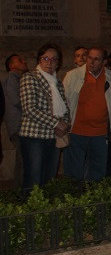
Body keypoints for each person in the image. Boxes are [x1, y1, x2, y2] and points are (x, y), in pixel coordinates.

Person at [19, 43, 71, 196]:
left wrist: (65, 124)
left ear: (58, 63)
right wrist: (57, 123)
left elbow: (65, 109)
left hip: (54, 136)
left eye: (54, 59)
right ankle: (29, 214)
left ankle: (45, 213)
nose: (49, 62)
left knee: (49, 178)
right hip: (34, 137)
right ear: (39, 60)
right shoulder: (29, 77)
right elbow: (29, 109)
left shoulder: (58, 83)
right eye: (46, 58)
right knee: (33, 178)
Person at [63, 47, 111, 182]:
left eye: (96, 59)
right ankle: (75, 200)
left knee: (97, 173)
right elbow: (64, 101)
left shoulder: (110, 77)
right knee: (74, 173)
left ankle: (94, 200)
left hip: (99, 133)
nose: (91, 62)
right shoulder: (73, 76)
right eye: (89, 58)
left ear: (104, 62)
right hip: (77, 131)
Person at [4, 54, 29, 189]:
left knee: (21, 161)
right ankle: (22, 192)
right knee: (24, 160)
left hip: (19, 126)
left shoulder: (18, 79)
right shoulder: (11, 79)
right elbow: (16, 100)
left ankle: (19, 191)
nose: (24, 61)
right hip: (19, 126)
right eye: (20, 60)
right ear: (11, 66)